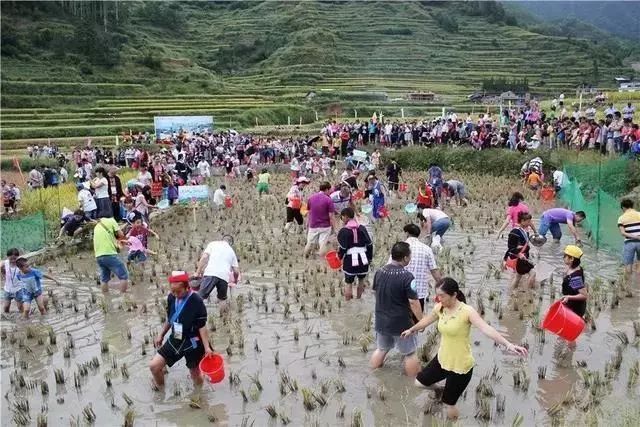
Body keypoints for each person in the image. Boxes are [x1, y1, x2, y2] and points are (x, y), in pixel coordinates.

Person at [401, 278, 528, 420]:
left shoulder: (467, 311)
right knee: (419, 383)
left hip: (461, 366)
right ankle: (439, 389)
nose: (438, 298)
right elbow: (426, 320)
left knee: (449, 405)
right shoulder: (440, 307)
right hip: (443, 359)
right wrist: (412, 329)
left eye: (442, 296)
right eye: (437, 295)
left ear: (454, 295)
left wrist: (508, 344)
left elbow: (486, 329)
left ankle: (453, 422)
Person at [150, 271, 213, 389]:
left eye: (178, 291)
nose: (175, 294)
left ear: (187, 287)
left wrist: (207, 348)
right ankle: (160, 390)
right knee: (154, 366)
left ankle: (198, 395)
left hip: (193, 341)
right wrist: (161, 334)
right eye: (172, 291)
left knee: (195, 375)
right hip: (177, 337)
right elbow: (170, 319)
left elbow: (202, 326)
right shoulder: (171, 297)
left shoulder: (196, 301)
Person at [369, 242, 423, 377]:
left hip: (381, 320)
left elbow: (375, 292)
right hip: (402, 323)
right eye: (409, 256)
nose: (410, 258)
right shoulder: (407, 277)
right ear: (405, 258)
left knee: (381, 349)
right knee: (410, 353)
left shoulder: (379, 272)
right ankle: (413, 383)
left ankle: (372, 374)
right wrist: (421, 321)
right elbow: (413, 302)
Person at [401, 224, 442, 315]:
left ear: (407, 233)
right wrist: (443, 286)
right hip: (419, 293)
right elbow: (434, 271)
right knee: (416, 322)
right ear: (418, 235)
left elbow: (390, 267)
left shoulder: (400, 248)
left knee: (401, 322)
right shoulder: (427, 249)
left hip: (401, 292)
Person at [193, 235, 240, 312]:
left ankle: (193, 315)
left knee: (200, 296)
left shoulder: (213, 244)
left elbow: (204, 257)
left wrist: (197, 272)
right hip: (224, 277)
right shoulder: (231, 252)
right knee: (222, 299)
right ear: (230, 243)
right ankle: (223, 319)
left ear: (222, 240)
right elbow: (236, 271)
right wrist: (234, 280)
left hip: (211, 273)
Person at [337, 207, 373, 300]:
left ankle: (348, 305)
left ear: (346, 217)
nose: (342, 219)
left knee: (348, 283)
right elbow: (369, 245)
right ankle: (358, 300)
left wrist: (339, 257)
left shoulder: (343, 231)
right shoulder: (362, 228)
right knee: (361, 281)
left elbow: (343, 248)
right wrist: (369, 259)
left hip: (350, 260)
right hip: (363, 259)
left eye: (342, 217)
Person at [93, 215, 129, 293]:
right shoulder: (111, 220)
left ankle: (106, 298)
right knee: (124, 276)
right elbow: (121, 235)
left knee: (104, 279)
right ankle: (124, 299)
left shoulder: (97, 226)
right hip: (109, 254)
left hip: (99, 256)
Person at [503, 212, 536, 288]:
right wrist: (519, 254)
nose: (529, 223)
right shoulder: (514, 232)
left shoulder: (525, 231)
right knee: (533, 273)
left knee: (518, 276)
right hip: (519, 259)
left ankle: (512, 292)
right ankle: (528, 293)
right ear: (522, 221)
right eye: (528, 221)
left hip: (523, 258)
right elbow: (511, 247)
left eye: (530, 221)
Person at [304, 182, 336, 257]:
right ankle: (321, 262)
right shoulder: (329, 200)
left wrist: (307, 224)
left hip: (313, 225)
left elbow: (309, 212)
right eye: (330, 190)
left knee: (309, 243)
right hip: (325, 226)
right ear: (327, 189)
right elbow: (331, 216)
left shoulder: (311, 198)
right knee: (322, 244)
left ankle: (305, 258)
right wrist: (334, 228)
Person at [560, 245, 588, 318]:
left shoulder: (575, 277)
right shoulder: (573, 267)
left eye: (565, 256)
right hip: (570, 303)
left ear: (572, 258)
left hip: (575, 308)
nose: (563, 257)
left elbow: (584, 295)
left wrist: (568, 297)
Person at [617, 199, 640, 282]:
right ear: (632, 206)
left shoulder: (621, 218)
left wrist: (634, 237)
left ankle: (629, 288)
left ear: (623, 207)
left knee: (628, 265)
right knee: (639, 264)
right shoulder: (639, 214)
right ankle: (638, 286)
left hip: (629, 243)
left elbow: (623, 233)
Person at [2, 248, 23, 313]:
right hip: (8, 289)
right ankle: (7, 318)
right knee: (6, 307)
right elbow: (0, 265)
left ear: (18, 257)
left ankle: (24, 317)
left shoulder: (20, 265)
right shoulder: (5, 263)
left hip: (18, 289)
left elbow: (27, 272)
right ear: (7, 257)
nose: (13, 260)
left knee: (20, 307)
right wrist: (2, 275)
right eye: (11, 259)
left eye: (15, 258)